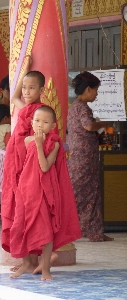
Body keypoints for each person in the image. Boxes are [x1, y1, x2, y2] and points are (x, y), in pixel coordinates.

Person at [1, 56, 61, 274]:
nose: (26, 92)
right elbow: (15, 96)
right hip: (16, 167)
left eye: (31, 88)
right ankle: (28, 262)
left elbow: (48, 140)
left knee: (35, 215)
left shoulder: (41, 112)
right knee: (20, 214)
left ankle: (42, 258)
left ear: (41, 90)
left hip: (31, 169)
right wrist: (23, 70)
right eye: (25, 87)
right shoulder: (26, 108)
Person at [9, 106, 82, 280]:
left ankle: (46, 269)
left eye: (45, 122)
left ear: (53, 125)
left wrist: (40, 145)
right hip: (26, 190)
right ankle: (26, 263)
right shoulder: (27, 141)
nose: (40, 125)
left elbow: (44, 167)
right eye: (37, 121)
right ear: (31, 123)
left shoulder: (54, 144)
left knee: (46, 231)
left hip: (44, 192)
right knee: (21, 226)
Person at [67, 71, 113, 242]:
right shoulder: (83, 108)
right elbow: (88, 126)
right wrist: (103, 124)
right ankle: (80, 230)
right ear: (88, 89)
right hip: (83, 159)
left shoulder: (74, 107)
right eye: (96, 90)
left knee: (89, 194)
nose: (96, 94)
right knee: (84, 194)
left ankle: (93, 232)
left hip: (80, 157)